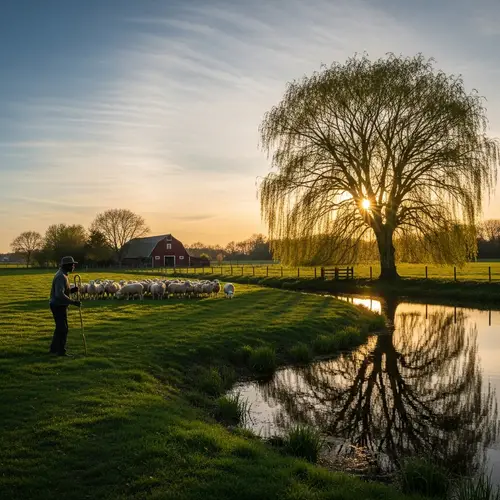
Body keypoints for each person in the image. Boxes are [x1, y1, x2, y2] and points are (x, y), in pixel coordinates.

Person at [49, 256, 81, 356]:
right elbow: (59, 294)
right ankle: (60, 351)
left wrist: (71, 291)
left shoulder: (63, 275)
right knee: (63, 329)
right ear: (66, 265)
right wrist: (73, 302)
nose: (73, 266)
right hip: (58, 305)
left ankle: (54, 349)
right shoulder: (60, 276)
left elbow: (62, 292)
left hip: (60, 305)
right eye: (72, 265)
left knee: (60, 328)